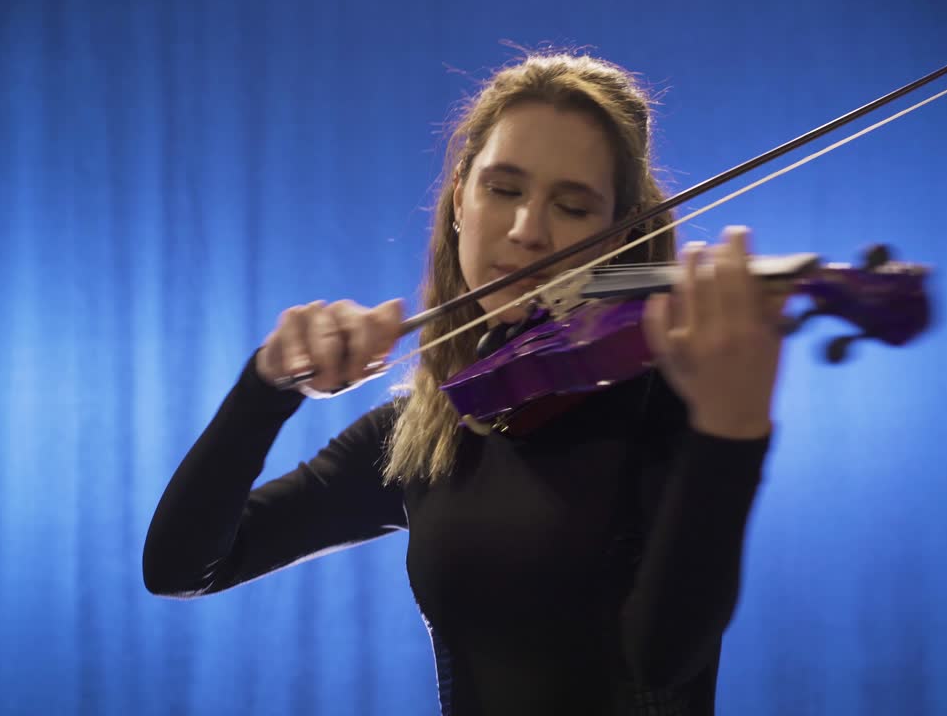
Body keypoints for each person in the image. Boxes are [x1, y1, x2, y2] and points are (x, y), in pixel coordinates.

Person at [143, 50, 785, 716]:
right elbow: (182, 568)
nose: (526, 231)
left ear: (615, 240)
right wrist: (267, 385)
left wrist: (730, 436)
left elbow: (661, 660)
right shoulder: (427, 432)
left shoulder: (670, 407)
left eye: (571, 206)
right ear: (459, 202)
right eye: (503, 189)